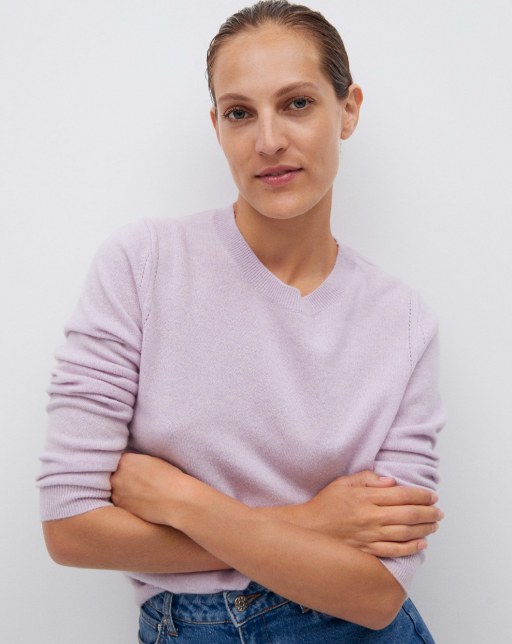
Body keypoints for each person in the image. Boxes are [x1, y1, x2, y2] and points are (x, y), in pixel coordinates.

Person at [37, 1, 445, 641]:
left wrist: (185, 502)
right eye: (239, 113)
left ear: (348, 110)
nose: (268, 140)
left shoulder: (403, 319)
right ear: (217, 126)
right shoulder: (145, 264)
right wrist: (314, 522)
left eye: (297, 103)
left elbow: (376, 596)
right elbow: (70, 528)